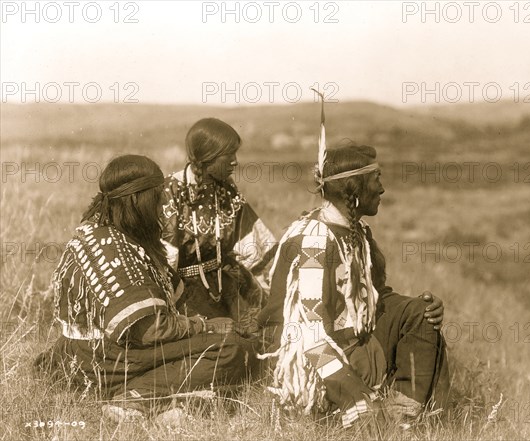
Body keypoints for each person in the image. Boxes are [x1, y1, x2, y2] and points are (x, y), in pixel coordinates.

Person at [257, 99, 449, 429]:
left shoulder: (356, 232)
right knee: (364, 417)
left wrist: (420, 309)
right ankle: (366, 413)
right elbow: (306, 333)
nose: (383, 188)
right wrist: (352, 394)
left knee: (419, 315)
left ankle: (406, 419)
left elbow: (374, 296)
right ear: (354, 188)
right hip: (311, 356)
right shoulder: (314, 241)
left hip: (353, 340)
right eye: (376, 179)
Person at [35, 154, 259, 422]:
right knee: (231, 349)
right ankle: (136, 397)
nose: (163, 206)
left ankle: (163, 397)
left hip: (83, 354)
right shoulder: (114, 249)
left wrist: (225, 320)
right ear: (135, 200)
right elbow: (150, 330)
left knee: (236, 340)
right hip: (107, 359)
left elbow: (178, 293)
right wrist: (206, 327)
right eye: (156, 198)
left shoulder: (109, 232)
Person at [161, 118, 277, 334]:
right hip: (184, 293)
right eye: (229, 154)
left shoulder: (226, 189)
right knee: (217, 344)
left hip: (225, 287)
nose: (235, 161)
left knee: (258, 335)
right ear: (207, 157)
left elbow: (251, 244)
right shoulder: (170, 192)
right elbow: (165, 261)